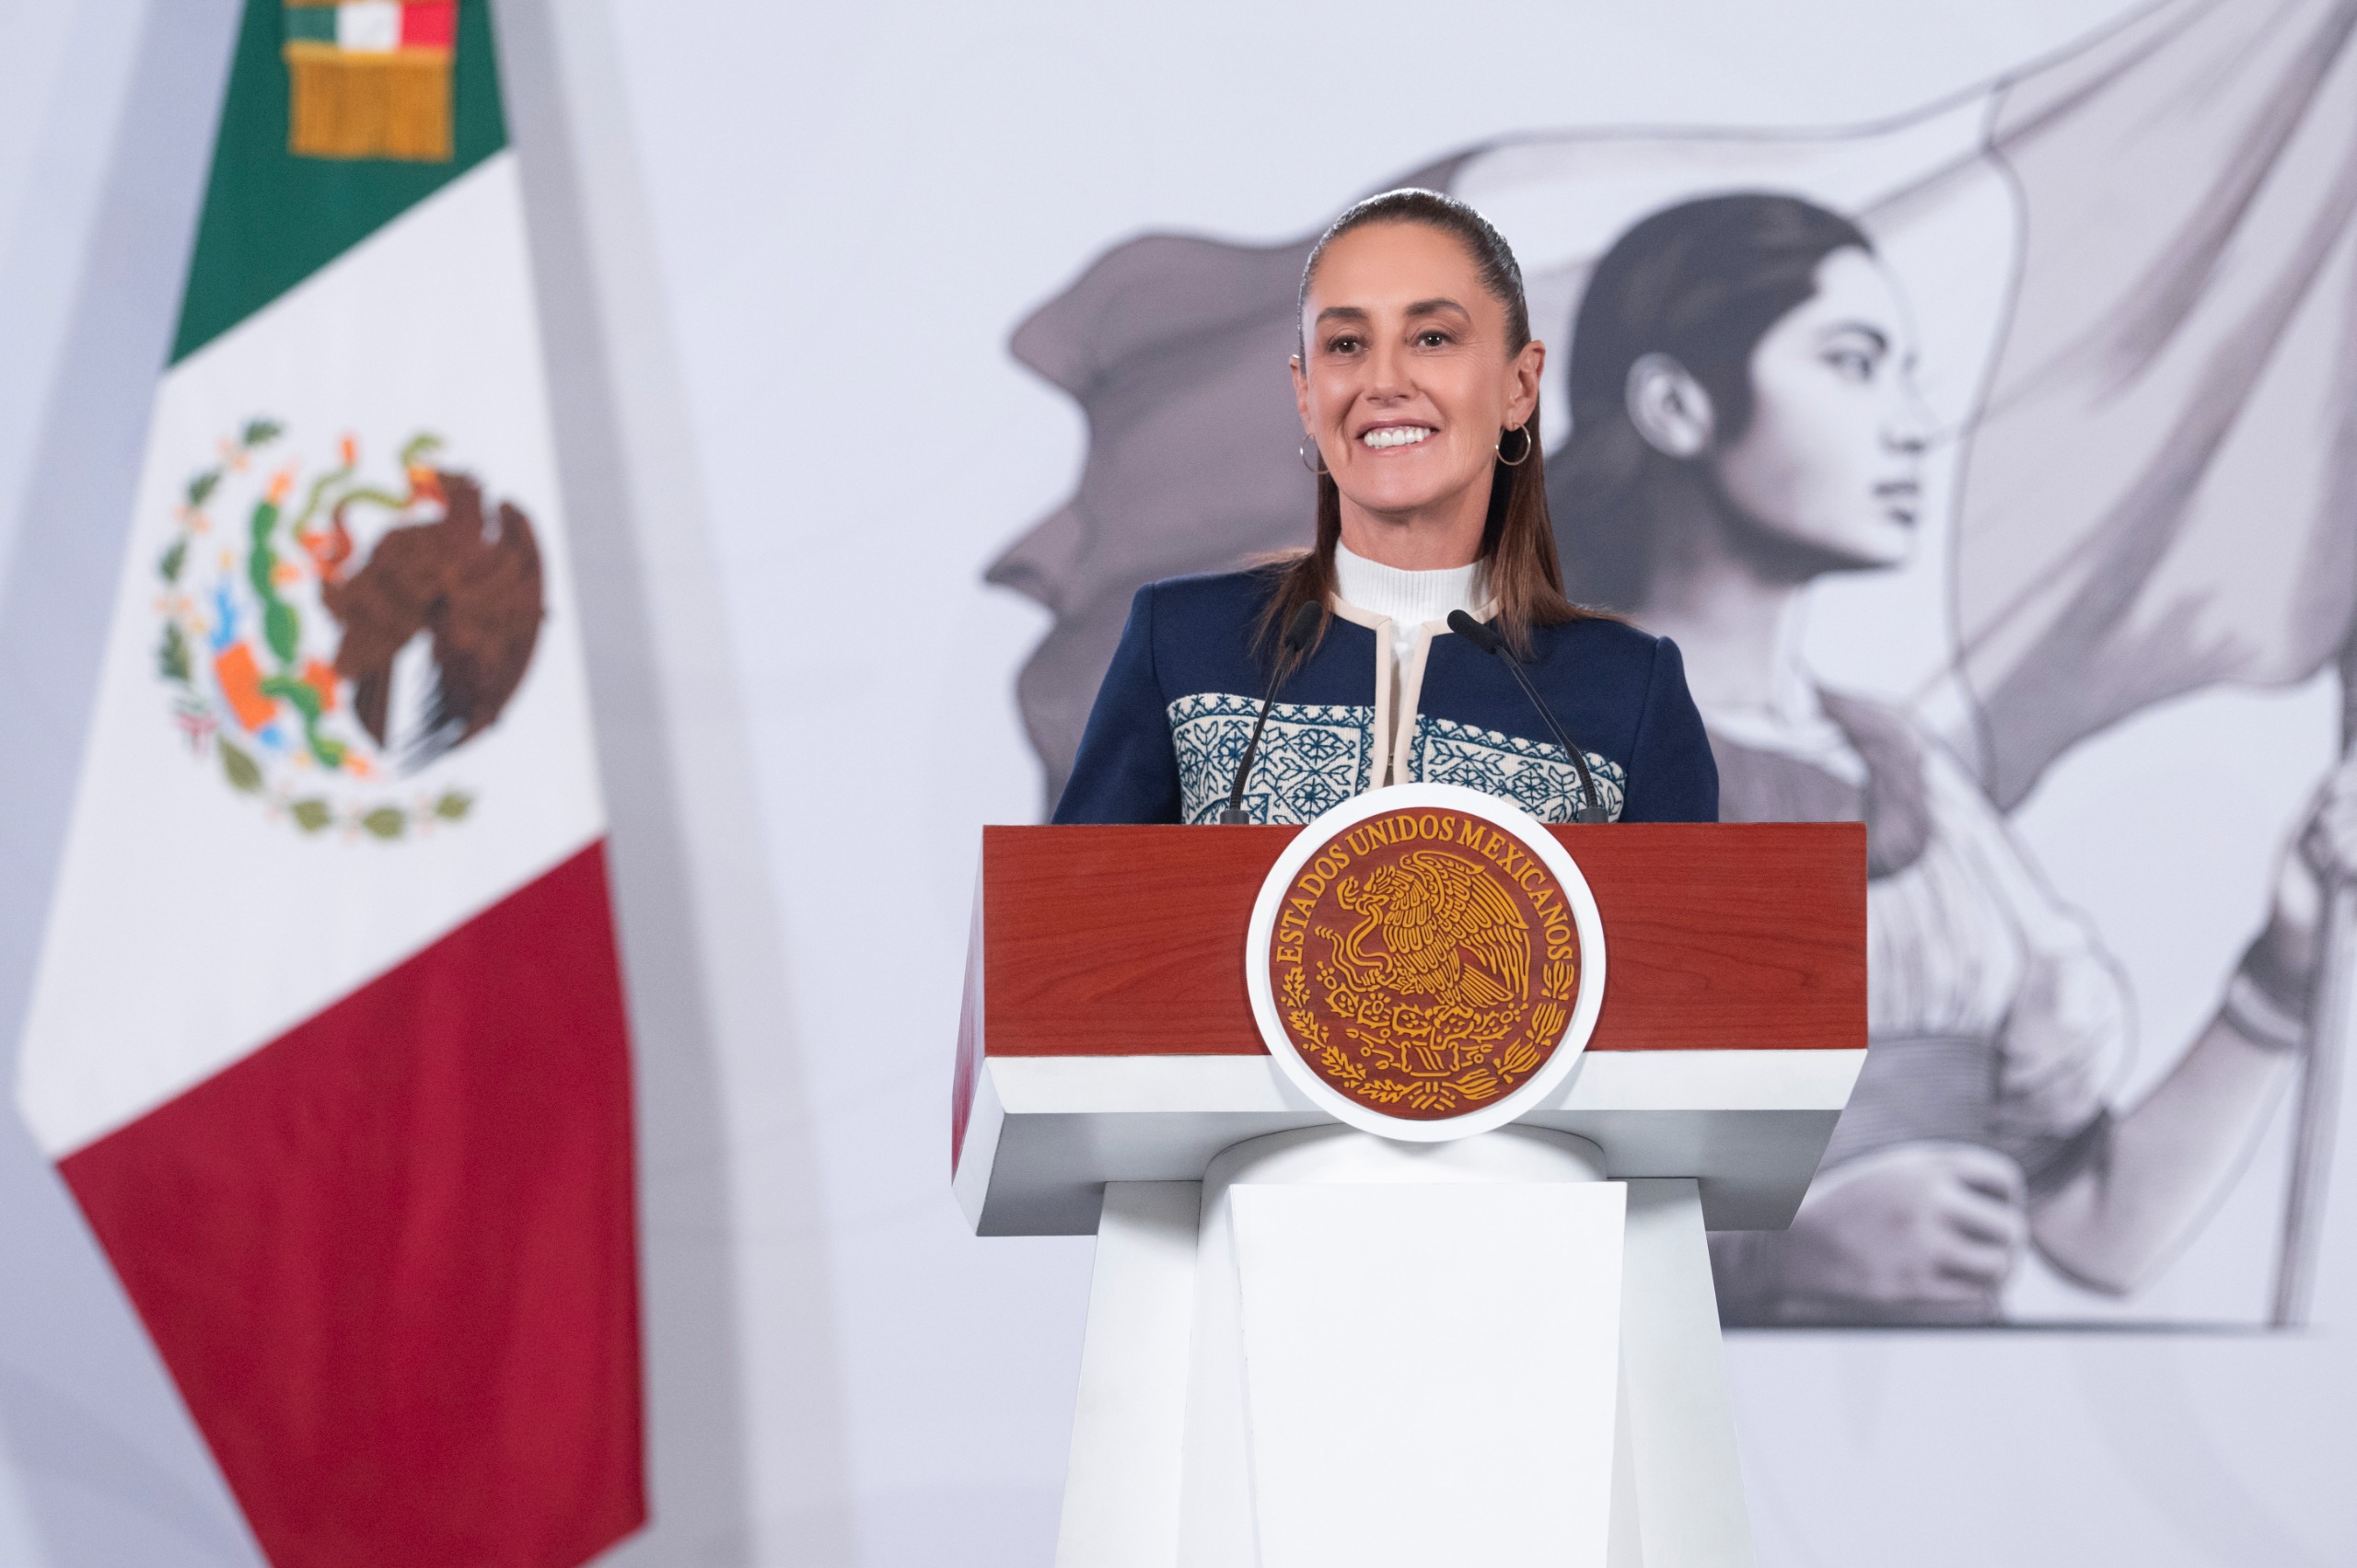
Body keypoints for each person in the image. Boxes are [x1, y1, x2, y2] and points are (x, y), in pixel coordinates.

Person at [1553, 191, 2357, 1322]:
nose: (1910, 423)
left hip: (1950, 1418)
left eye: (1906, 372)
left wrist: (2283, 964)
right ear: (1676, 405)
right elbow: (1415, 1235)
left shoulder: (1907, 771)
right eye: (1852, 362)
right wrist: (1765, 1258)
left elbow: (2101, 1229)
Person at [1052, 189, 1718, 830]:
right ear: (1306, 394)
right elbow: (1071, 902)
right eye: (1346, 344)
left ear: (1520, 385)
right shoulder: (1181, 643)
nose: (1385, 382)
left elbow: (1688, 913)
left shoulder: (1629, 689)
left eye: (1432, 338)